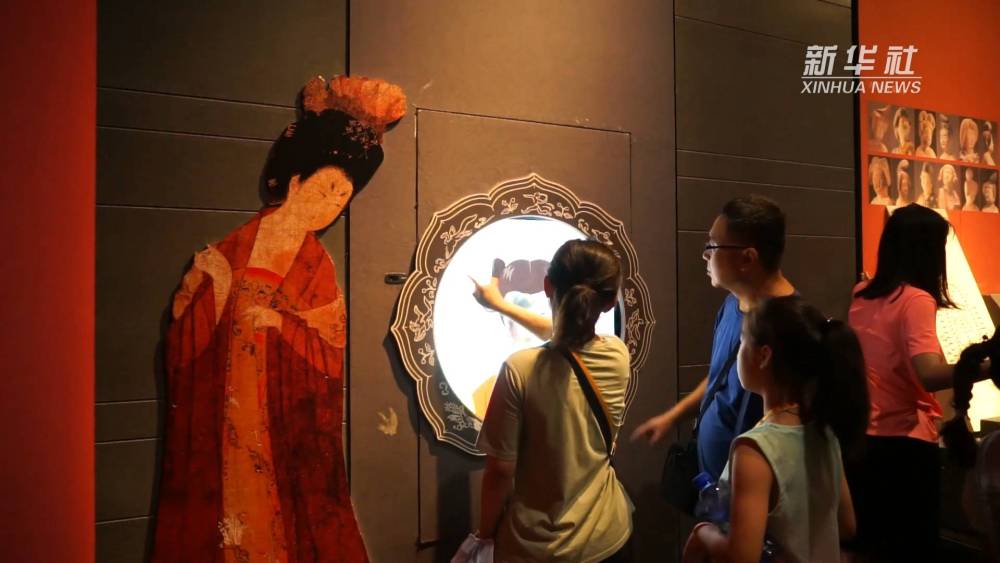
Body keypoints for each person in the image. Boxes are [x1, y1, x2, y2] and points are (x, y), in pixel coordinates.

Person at [151, 75, 406, 563]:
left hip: (281, 412)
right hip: (229, 401)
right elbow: (186, 329)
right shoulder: (233, 250)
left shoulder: (317, 266)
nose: (330, 204)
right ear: (295, 181)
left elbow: (328, 345)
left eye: (341, 197)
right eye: (325, 189)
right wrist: (214, 289)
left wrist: (280, 324)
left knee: (283, 510)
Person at [847, 204, 994, 562]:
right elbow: (928, 373)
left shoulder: (862, 292)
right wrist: (989, 366)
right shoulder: (916, 299)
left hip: (863, 439)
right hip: (905, 444)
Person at [471, 239, 634, 563]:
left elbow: (500, 471)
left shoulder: (519, 370)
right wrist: (501, 305)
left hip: (536, 547)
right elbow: (566, 332)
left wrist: (485, 534)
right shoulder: (617, 354)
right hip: (610, 535)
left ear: (548, 286)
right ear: (610, 302)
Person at [682, 296, 867, 563]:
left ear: (763, 356)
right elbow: (847, 525)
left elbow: (742, 556)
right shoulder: (823, 432)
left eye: (742, 342)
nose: (738, 354)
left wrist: (703, 533)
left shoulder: (754, 450)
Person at [631, 196, 795, 483]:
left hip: (754, 487)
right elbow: (719, 377)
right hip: (718, 482)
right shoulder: (732, 304)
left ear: (747, 258)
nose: (705, 255)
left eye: (713, 245)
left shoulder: (791, 326)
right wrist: (673, 416)